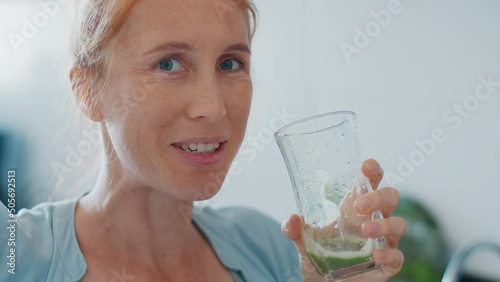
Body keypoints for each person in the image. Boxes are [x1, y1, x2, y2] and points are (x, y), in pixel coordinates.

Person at [0, 0, 406, 281]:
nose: (213, 107)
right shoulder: (16, 255)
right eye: (169, 63)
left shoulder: (271, 248)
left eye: (230, 63)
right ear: (88, 90)